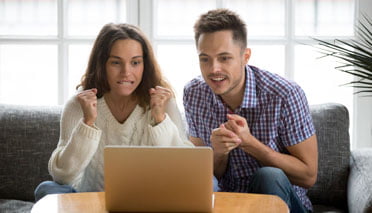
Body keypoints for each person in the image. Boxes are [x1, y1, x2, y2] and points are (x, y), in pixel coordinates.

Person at [34, 23, 193, 202]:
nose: (126, 72)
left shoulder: (164, 103)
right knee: (46, 189)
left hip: (148, 201)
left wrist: (160, 120)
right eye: (116, 62)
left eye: (135, 62)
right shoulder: (78, 104)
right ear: (102, 64)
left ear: (144, 65)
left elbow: (185, 172)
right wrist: (87, 124)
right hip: (90, 202)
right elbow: (62, 176)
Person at [183, 9, 318, 212]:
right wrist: (218, 153)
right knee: (205, 180)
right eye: (205, 59)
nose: (213, 69)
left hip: (283, 203)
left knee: (269, 176)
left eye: (224, 58)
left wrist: (250, 144)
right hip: (227, 204)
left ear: (245, 56)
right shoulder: (194, 93)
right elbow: (206, 174)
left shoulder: (285, 94)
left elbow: (308, 176)